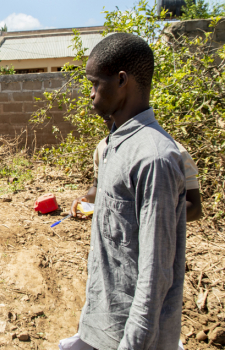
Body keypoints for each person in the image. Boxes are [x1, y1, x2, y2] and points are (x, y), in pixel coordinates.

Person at [71, 33, 187, 350]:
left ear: (122, 80)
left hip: (132, 340)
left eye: (96, 84)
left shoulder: (153, 159)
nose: (92, 95)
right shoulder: (115, 146)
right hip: (102, 328)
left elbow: (155, 274)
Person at [71, 115, 202, 221]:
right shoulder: (104, 147)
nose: (97, 107)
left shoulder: (168, 151)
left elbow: (194, 208)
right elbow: (97, 186)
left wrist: (129, 213)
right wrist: (87, 200)